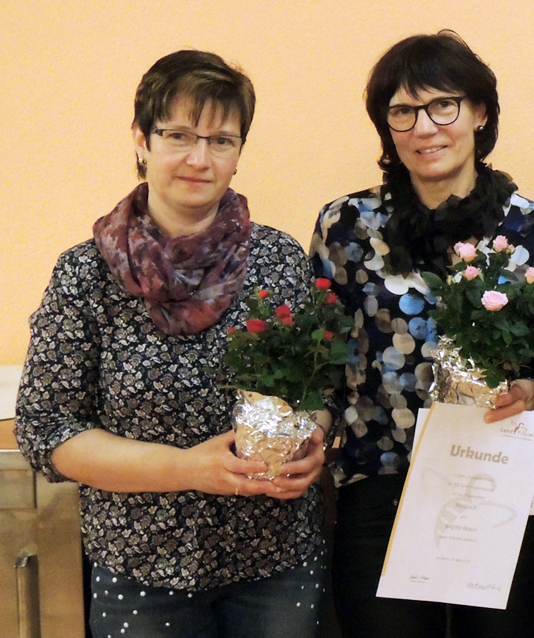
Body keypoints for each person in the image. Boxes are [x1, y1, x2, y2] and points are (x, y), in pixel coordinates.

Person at [14, 50, 325, 638]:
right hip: (140, 567)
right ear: (142, 138)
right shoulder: (86, 275)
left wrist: (315, 439)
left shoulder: (279, 260)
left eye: (221, 140)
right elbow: (45, 428)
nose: (199, 159)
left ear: (239, 152)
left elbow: (316, 389)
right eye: (179, 135)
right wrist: (187, 468)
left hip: (275, 560)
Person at [310, 31, 534, 638]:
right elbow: (322, 359)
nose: (424, 128)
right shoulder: (347, 226)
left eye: (443, 105)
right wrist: (307, 433)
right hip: (379, 487)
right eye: (403, 112)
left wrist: (533, 390)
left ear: (480, 113)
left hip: (499, 485)